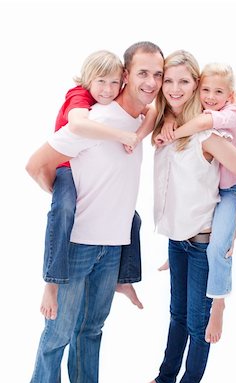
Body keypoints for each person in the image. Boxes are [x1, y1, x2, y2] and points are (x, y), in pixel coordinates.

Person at [25, 41, 164, 383]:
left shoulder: (142, 119)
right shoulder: (95, 118)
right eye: (143, 73)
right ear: (126, 75)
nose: (151, 82)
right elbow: (36, 165)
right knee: (60, 330)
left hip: (112, 245)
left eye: (157, 74)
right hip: (78, 246)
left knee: (93, 326)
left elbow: (155, 111)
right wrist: (66, 200)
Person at [128, 50, 236, 383]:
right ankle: (165, 379)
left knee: (197, 325)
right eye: (167, 80)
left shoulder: (208, 134)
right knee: (176, 316)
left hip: (203, 244)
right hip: (178, 241)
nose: (173, 88)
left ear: (197, 86)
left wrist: (234, 230)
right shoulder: (165, 128)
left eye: (183, 81)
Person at [41, 50, 158, 320]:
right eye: (101, 82)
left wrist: (138, 137)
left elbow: (151, 112)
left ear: (123, 81)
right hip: (65, 168)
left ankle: (123, 277)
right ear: (88, 79)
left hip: (80, 168)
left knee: (132, 218)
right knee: (63, 211)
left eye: (114, 83)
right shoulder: (80, 98)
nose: (108, 90)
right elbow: (80, 125)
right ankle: (51, 282)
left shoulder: (112, 105)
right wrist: (122, 136)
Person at [157, 62, 236, 343]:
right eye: (206, 89)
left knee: (220, 245)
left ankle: (219, 302)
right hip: (217, 191)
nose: (210, 96)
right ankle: (181, 248)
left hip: (233, 189)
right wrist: (171, 122)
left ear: (230, 95)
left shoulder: (232, 114)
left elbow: (203, 124)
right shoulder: (205, 111)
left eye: (218, 91)